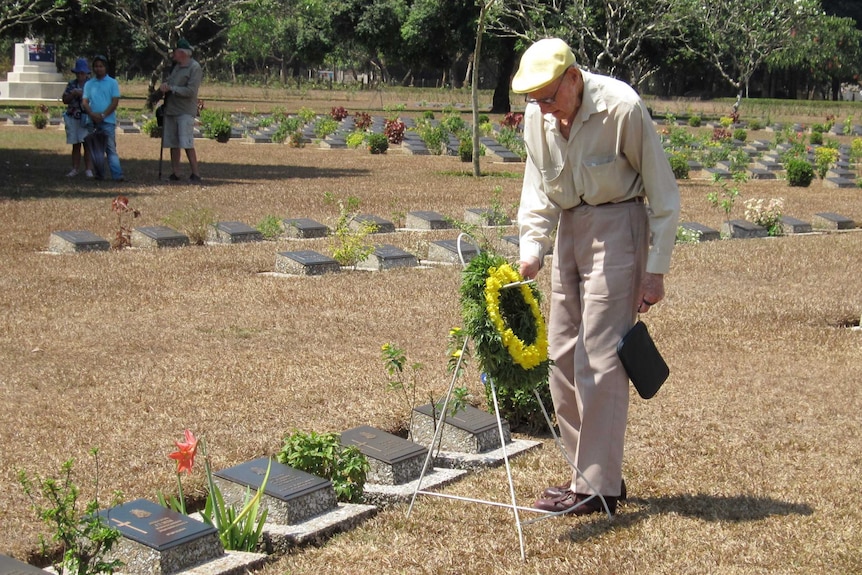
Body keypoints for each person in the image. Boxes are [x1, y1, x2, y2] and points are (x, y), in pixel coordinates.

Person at [511, 38, 680, 516]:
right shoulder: (538, 115)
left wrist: (656, 271)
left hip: (619, 227)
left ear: (573, 78)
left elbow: (664, 194)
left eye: (549, 97)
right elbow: (537, 187)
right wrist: (532, 251)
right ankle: (583, 474)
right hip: (570, 230)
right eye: (534, 100)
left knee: (600, 357)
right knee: (562, 355)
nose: (544, 109)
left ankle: (598, 486)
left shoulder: (622, 107)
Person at [159, 38, 203, 182]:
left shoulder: (194, 68)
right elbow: (171, 82)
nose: (173, 55)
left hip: (185, 110)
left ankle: (195, 173)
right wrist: (165, 86)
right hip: (171, 109)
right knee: (173, 142)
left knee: (186, 142)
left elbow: (191, 91)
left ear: (183, 53)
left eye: (176, 52)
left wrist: (173, 89)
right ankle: (175, 172)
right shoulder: (176, 67)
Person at [82, 54, 124, 181]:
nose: (98, 69)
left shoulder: (112, 83)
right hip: (92, 121)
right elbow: (85, 101)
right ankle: (99, 174)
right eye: (96, 66)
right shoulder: (89, 84)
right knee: (95, 150)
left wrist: (103, 115)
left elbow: (115, 101)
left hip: (108, 121)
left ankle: (117, 175)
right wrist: (92, 114)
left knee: (110, 149)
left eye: (101, 66)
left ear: (105, 68)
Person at [62, 58, 93, 178]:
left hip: (86, 117)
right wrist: (73, 94)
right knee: (75, 144)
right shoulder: (71, 84)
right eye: (78, 73)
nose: (80, 75)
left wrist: (83, 95)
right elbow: (65, 100)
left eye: (82, 73)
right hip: (73, 116)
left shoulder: (91, 84)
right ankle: (75, 168)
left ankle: (88, 169)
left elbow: (95, 99)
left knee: (87, 144)